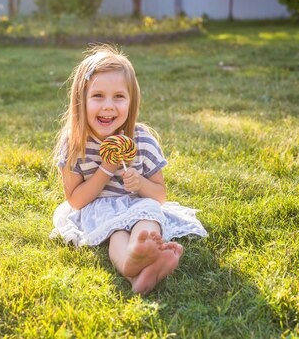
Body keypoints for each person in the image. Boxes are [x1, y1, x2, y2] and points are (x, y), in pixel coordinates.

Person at [50, 44, 207, 295]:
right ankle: (131, 261)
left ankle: (142, 252)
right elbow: (76, 200)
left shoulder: (142, 141)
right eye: (98, 96)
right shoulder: (75, 144)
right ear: (81, 99)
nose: (108, 106)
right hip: (97, 210)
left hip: (136, 205)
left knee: (148, 213)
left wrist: (141, 184)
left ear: (131, 101)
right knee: (116, 232)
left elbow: (159, 196)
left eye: (119, 97)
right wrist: (106, 168)